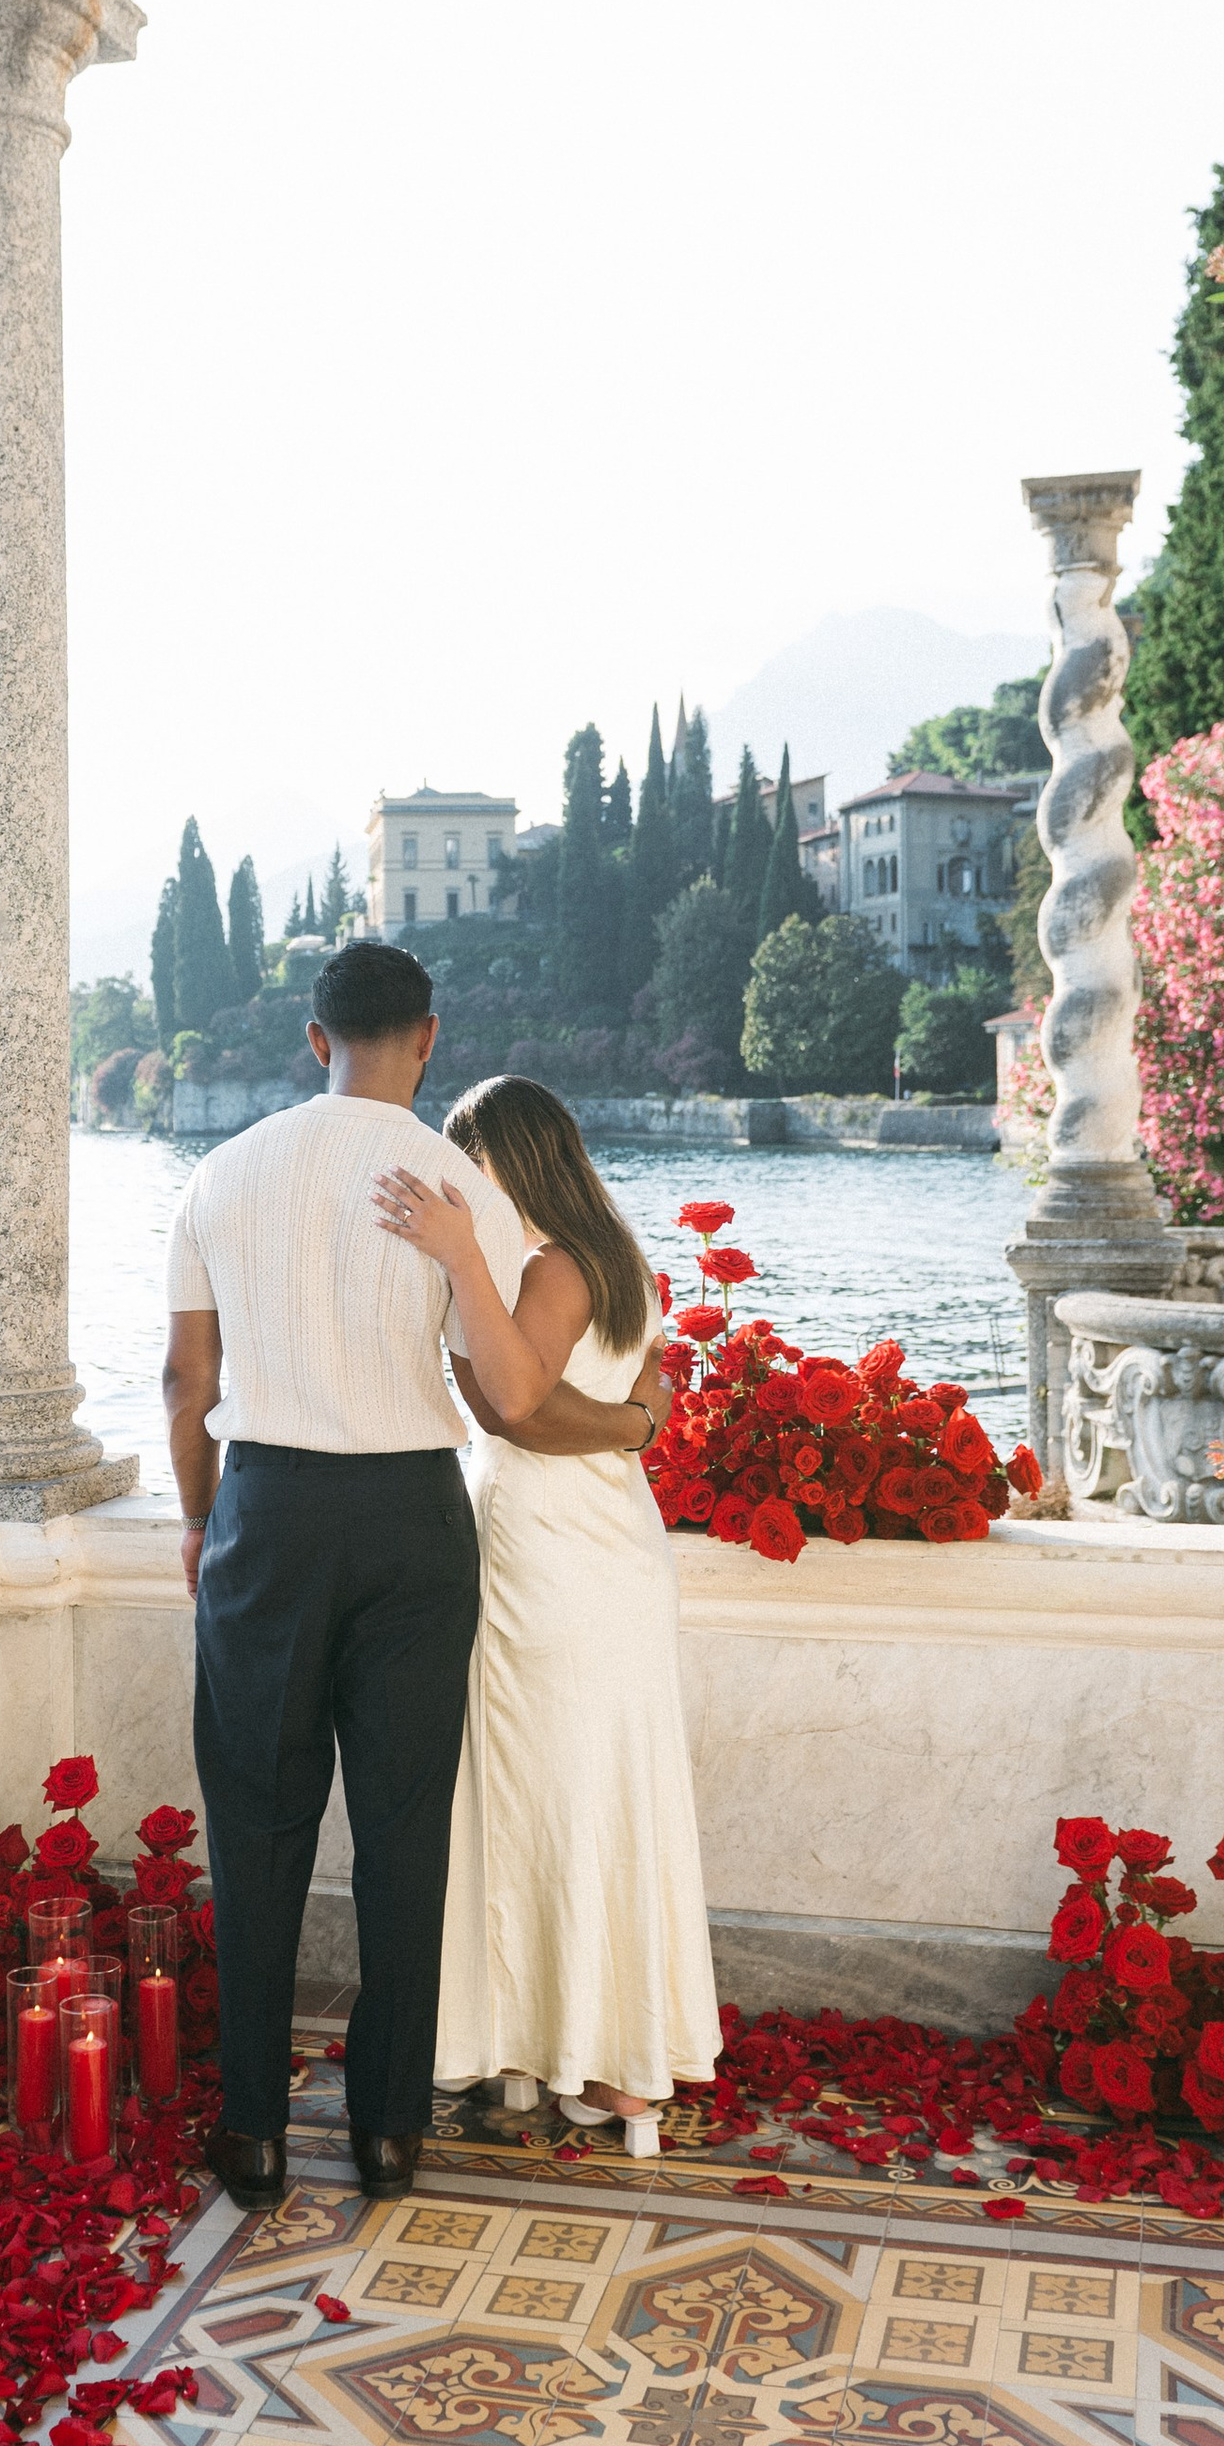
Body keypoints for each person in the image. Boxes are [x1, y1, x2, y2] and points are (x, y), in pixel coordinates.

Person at [163, 945, 658, 2211]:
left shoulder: (219, 1174)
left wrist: (200, 1521)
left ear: (311, 1038)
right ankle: (387, 2135)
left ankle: (254, 2134)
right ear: (428, 1039)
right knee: (401, 1836)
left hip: (265, 1514)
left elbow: (186, 1385)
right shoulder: (457, 1186)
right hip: (409, 1524)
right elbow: (506, 1391)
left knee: (257, 1832)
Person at [373, 1077, 716, 2157]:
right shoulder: (612, 1258)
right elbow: (622, 1389)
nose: (462, 1183)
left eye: (472, 1163)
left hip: (551, 1559)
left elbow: (511, 1404)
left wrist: (457, 1262)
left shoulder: (553, 1268)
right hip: (607, 1546)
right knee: (590, 1792)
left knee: (553, 1795)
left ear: (507, 1161)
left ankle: (591, 2064)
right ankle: (555, 2054)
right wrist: (632, 1418)